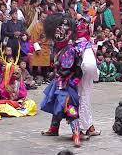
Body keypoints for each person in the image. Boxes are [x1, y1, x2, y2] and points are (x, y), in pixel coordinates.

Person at [40, 14, 82, 147]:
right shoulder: (57, 47)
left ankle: (76, 133)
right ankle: (54, 129)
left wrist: (63, 75)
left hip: (68, 83)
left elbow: (68, 69)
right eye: (59, 26)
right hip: (58, 81)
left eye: (64, 26)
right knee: (55, 104)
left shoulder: (70, 49)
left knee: (68, 107)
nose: (60, 30)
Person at [29, 11, 51, 83]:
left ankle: (45, 77)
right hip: (39, 46)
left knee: (46, 64)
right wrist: (37, 48)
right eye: (43, 17)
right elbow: (34, 38)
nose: (44, 19)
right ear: (40, 17)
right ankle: (34, 77)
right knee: (36, 62)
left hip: (46, 46)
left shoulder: (48, 26)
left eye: (45, 17)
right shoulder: (37, 26)